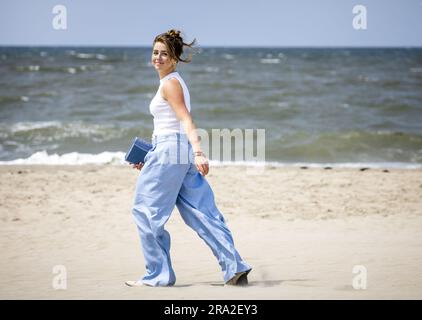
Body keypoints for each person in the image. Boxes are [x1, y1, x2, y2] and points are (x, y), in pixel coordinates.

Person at [125, 29, 252, 287]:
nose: (158, 58)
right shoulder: (175, 81)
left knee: (145, 211)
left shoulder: (170, 83)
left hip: (172, 150)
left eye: (164, 54)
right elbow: (175, 124)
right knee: (201, 212)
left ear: (174, 58)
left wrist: (198, 152)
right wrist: (158, 157)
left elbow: (185, 119)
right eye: (155, 53)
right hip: (175, 151)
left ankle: (158, 276)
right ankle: (234, 267)